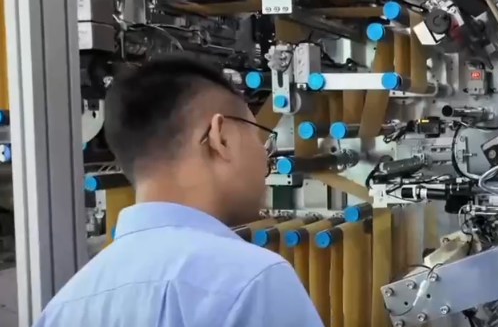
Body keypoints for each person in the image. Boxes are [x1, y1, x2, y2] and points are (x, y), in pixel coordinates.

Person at [34, 57, 324, 327]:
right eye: (258, 136)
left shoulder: (62, 308)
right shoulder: (252, 282)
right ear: (220, 138)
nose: (264, 156)